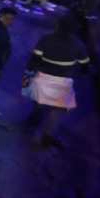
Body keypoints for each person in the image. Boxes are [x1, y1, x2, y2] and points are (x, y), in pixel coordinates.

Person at [26, 16, 91, 148]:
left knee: (38, 101)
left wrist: (30, 72)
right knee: (57, 111)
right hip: (62, 81)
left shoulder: (46, 39)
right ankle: (46, 137)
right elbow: (85, 65)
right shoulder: (78, 45)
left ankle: (34, 119)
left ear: (57, 26)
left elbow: (34, 59)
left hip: (43, 77)